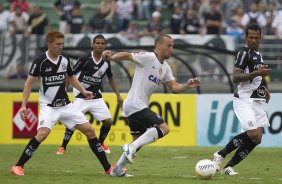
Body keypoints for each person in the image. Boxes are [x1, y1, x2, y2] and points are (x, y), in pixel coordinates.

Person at [10, 30, 114, 176]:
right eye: (57, 44)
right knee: (43, 133)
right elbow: (28, 83)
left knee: (90, 131)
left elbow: (71, 78)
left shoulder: (64, 60)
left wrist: (83, 91)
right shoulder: (40, 61)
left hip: (65, 105)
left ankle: (108, 168)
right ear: (49, 44)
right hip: (49, 106)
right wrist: (23, 105)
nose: (60, 47)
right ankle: (18, 166)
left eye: (62, 44)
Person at [102, 34, 200, 177]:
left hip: (137, 106)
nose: (172, 49)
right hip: (135, 104)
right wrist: (111, 58)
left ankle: (117, 169)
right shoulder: (148, 57)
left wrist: (187, 86)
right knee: (164, 128)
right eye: (169, 45)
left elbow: (173, 88)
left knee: (138, 141)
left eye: (172, 46)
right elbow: (127, 55)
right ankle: (130, 148)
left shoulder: (165, 68)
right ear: (159, 46)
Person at [212, 23, 271, 175]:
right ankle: (220, 154)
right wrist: (257, 73)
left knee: (257, 138)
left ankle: (227, 167)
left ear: (260, 38)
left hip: (256, 100)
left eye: (256, 38)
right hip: (243, 99)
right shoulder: (243, 53)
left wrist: (265, 88)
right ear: (245, 38)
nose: (253, 40)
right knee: (252, 133)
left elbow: (259, 77)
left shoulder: (259, 55)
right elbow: (236, 77)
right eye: (250, 37)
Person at [56, 34, 123, 155]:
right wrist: (63, 92)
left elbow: (111, 77)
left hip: (96, 96)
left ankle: (101, 143)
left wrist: (118, 95)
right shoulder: (85, 58)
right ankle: (63, 146)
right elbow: (70, 76)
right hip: (81, 94)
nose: (100, 45)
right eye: (97, 43)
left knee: (108, 121)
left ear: (105, 46)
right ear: (93, 45)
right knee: (73, 121)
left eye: (102, 43)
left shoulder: (106, 62)